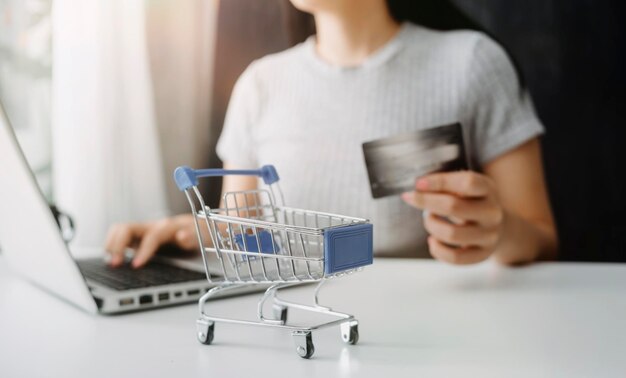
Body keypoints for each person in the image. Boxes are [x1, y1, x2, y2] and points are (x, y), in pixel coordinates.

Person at [105, 0, 558, 268]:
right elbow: (240, 230)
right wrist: (189, 231)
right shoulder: (260, 85)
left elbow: (541, 237)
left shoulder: (472, 63)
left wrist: (496, 233)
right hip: (298, 332)